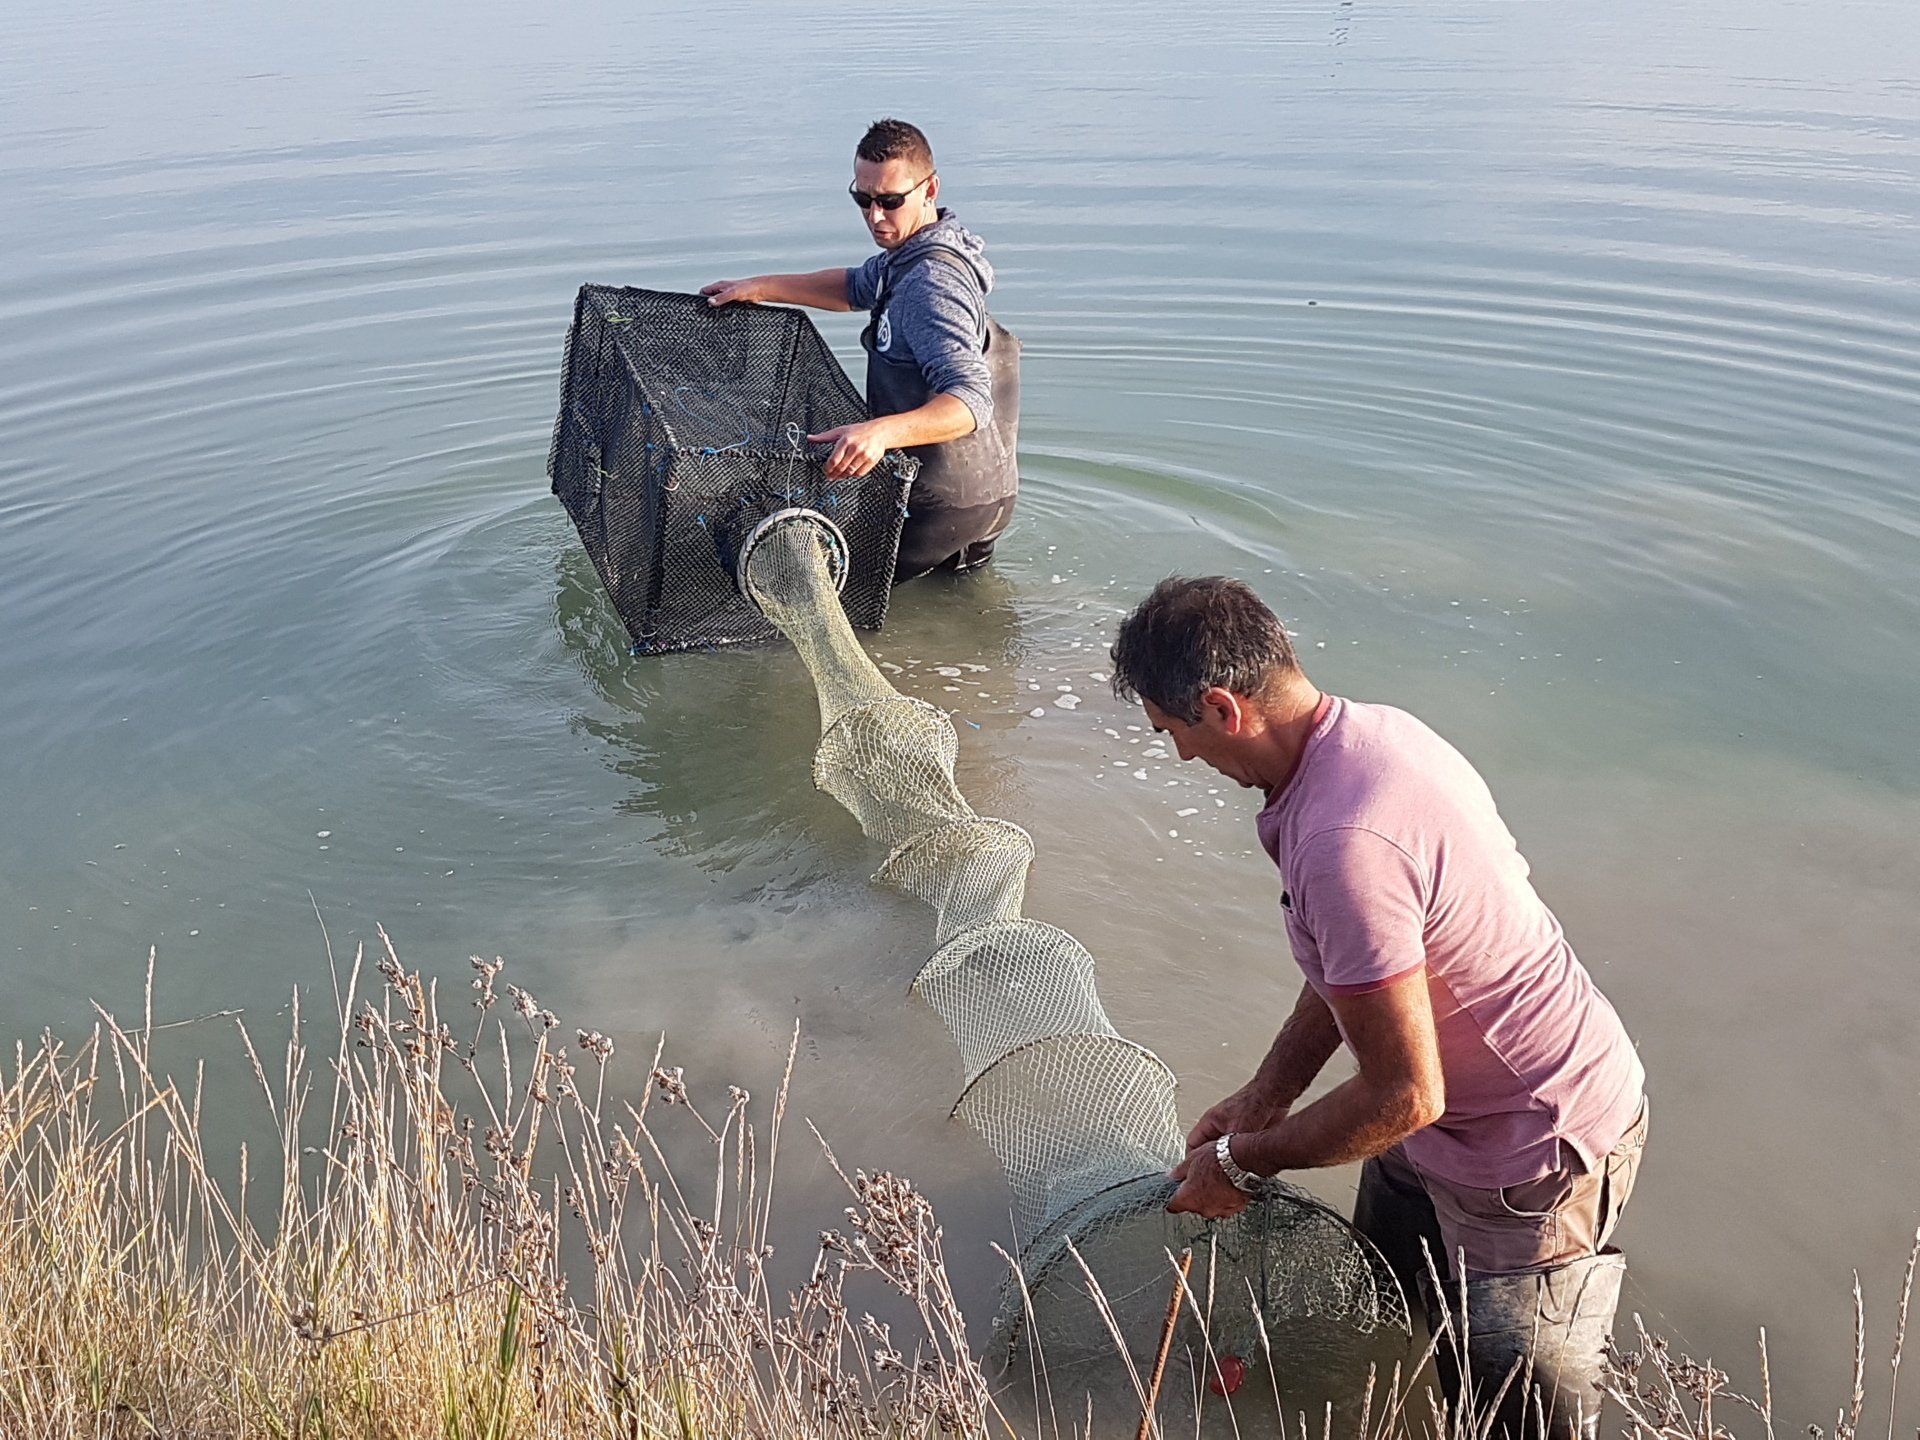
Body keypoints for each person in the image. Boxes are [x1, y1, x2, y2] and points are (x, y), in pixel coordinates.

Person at [1108, 576, 1648, 1440]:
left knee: (1517, 1412)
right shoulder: (1372, 736)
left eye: (1175, 734)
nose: (1182, 758)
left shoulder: (1343, 839)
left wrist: (1245, 1164)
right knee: (1389, 1314)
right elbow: (1355, 969)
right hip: (1435, 1121)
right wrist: (1264, 1097)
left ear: (1222, 708)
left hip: (1533, 1148)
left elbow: (1404, 1097)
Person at [701, 118, 1020, 581]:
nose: (875, 216)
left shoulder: (932, 284)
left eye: (890, 201)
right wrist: (760, 287)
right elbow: (854, 286)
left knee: (810, 595)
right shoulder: (913, 255)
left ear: (930, 189)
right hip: (987, 497)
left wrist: (879, 433)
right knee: (949, 616)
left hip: (938, 504)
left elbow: (971, 401)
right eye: (863, 199)